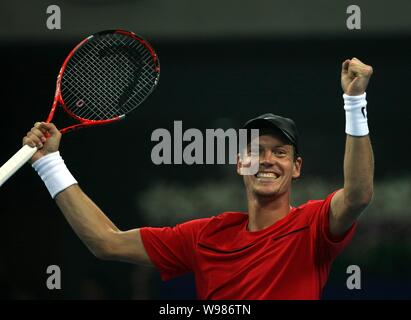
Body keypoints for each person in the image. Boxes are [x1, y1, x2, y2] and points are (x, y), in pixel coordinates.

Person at [23, 57, 374, 299]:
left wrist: (354, 101)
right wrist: (49, 163)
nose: (267, 160)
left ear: (296, 168)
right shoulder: (205, 236)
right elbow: (106, 242)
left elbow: (357, 194)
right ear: (240, 164)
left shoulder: (313, 226)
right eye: (256, 151)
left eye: (280, 152)